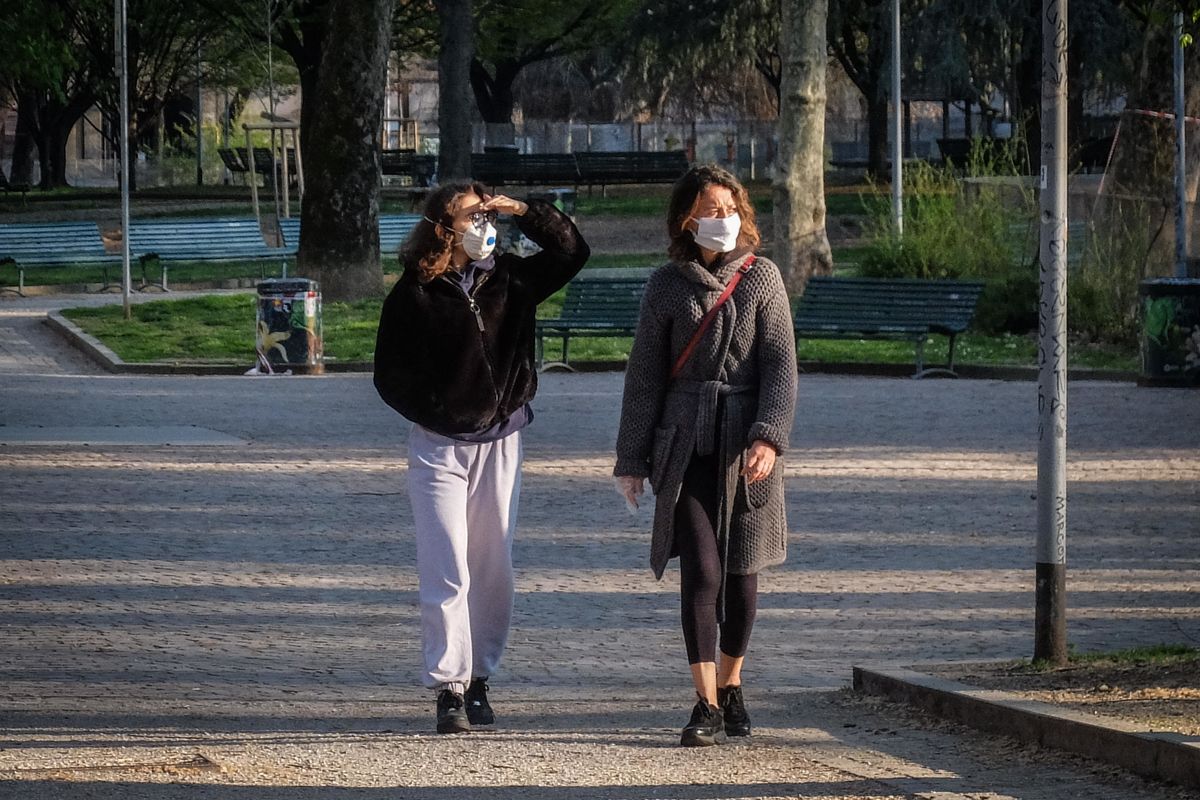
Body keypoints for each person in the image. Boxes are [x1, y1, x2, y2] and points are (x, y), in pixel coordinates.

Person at [374, 181, 589, 734]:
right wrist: (443, 410)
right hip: (439, 446)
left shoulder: (512, 279)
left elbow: (572, 252)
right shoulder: (416, 292)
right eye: (471, 216)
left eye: (486, 214)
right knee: (446, 565)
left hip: (501, 441)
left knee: (491, 567)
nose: (482, 225)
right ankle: (448, 684)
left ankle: (480, 678)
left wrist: (523, 209)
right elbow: (389, 374)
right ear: (443, 229)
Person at [613, 164, 797, 747]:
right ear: (686, 221)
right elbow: (644, 377)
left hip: (746, 446)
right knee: (703, 571)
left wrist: (768, 436)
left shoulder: (763, 278)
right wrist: (632, 459)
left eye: (729, 208)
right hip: (683, 441)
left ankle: (733, 681)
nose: (722, 219)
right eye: (710, 210)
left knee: (742, 575)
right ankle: (705, 702)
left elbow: (780, 367)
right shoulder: (666, 285)